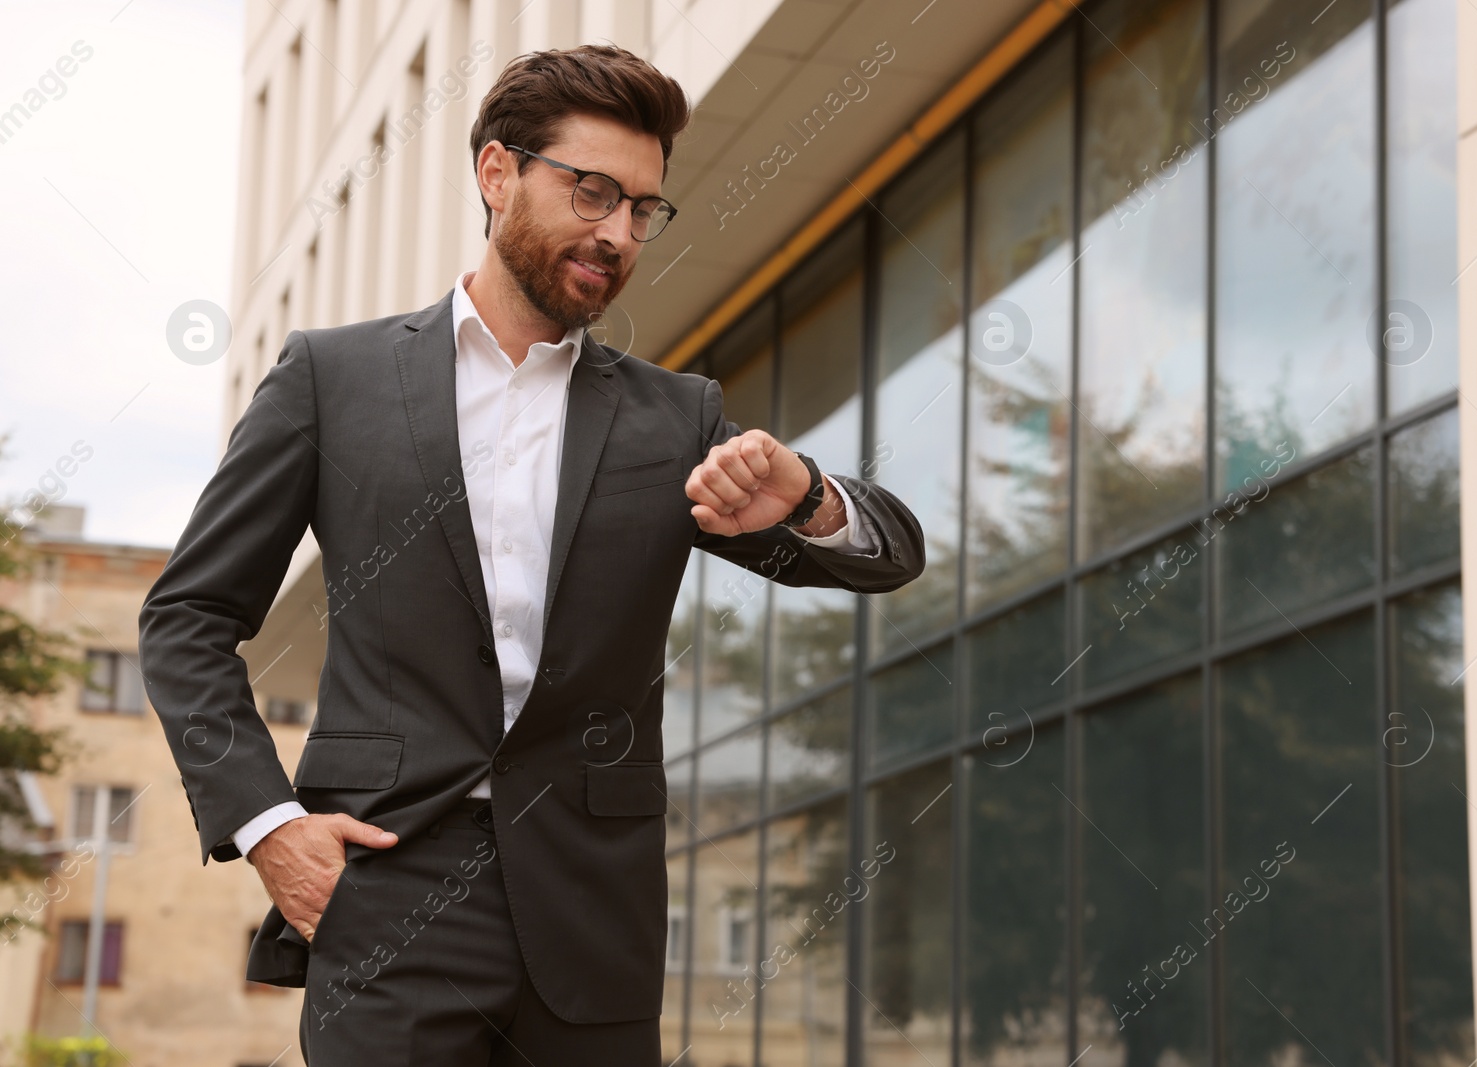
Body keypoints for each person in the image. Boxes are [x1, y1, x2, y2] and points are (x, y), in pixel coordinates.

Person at [138, 44, 924, 1065]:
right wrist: (267, 823)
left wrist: (809, 496)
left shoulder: (673, 416)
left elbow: (888, 553)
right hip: (386, 884)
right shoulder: (332, 379)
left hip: (594, 908)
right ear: (497, 174)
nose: (617, 231)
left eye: (643, 208)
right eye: (592, 191)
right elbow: (187, 616)